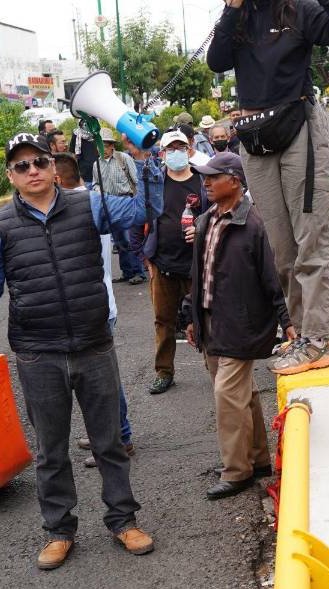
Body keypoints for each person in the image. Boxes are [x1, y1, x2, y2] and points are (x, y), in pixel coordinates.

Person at [0, 132, 159, 570]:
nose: (32, 171)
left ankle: (123, 520)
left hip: (93, 344)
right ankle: (58, 531)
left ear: (54, 167)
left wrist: (146, 162)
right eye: (21, 166)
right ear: (11, 176)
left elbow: (146, 209)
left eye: (39, 162)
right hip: (37, 353)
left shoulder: (88, 204)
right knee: (51, 450)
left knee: (109, 443)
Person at [207, 0, 329, 376]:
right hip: (256, 134)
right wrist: (230, 9)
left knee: (312, 241)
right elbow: (216, 60)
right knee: (281, 250)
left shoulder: (299, 9)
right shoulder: (239, 16)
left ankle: (319, 338)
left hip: (299, 127)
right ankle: (301, 333)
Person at [177, 152, 288, 499]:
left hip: (241, 323)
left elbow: (274, 279)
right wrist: (190, 314)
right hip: (210, 321)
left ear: (235, 181)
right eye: (205, 177)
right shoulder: (206, 220)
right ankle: (257, 460)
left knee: (227, 395)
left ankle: (236, 471)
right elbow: (199, 274)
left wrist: (287, 322)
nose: (206, 183)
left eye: (213, 177)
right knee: (243, 394)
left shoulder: (254, 224)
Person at [52, 153, 139, 468]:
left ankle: (118, 438)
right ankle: (110, 433)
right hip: (98, 303)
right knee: (100, 380)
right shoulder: (90, 200)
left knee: (101, 382)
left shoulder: (83, 206)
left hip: (96, 307)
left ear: (57, 179)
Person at [138, 130, 206, 395]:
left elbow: (217, 215)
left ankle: (216, 368)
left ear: (189, 151)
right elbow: (140, 219)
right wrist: (146, 256)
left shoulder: (203, 181)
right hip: (162, 265)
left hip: (196, 266)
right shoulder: (156, 182)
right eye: (170, 149)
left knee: (205, 319)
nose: (176, 153)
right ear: (162, 154)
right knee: (163, 321)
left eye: (181, 147)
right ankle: (164, 372)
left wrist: (200, 228)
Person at [91, 129, 147, 286]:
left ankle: (139, 272)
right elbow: (95, 183)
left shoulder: (124, 159)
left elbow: (136, 178)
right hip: (108, 205)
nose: (100, 149)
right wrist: (97, 191)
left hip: (126, 201)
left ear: (111, 146)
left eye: (103, 145)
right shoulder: (96, 164)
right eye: (98, 145)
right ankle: (127, 271)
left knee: (131, 240)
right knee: (120, 241)